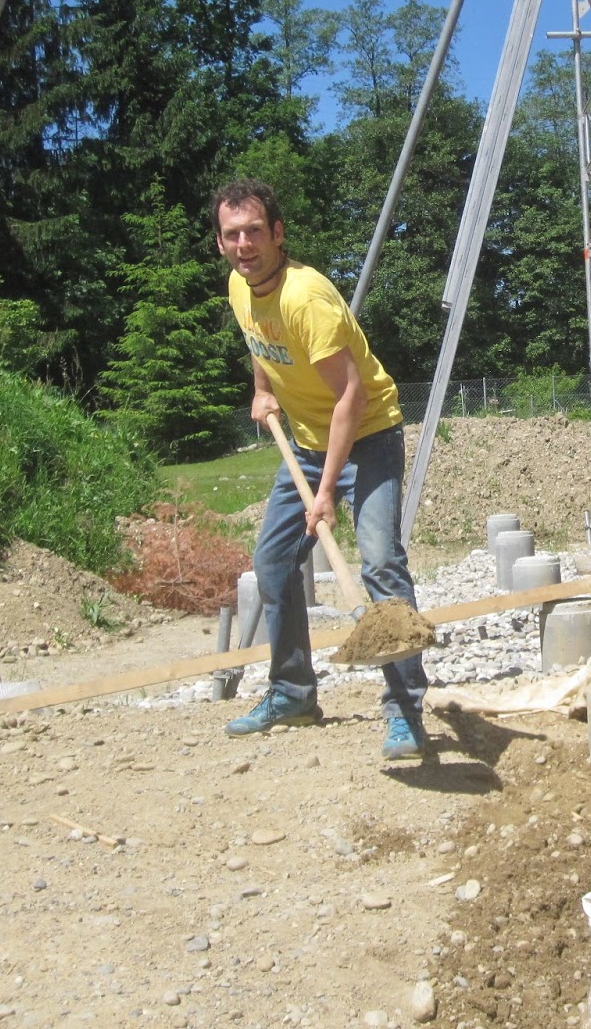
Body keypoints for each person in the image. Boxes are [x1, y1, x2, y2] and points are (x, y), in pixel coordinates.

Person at [211, 177, 429, 760]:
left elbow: (352, 397)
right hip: (306, 440)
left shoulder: (306, 299)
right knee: (274, 562)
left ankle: (406, 709)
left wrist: (326, 491)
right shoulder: (239, 286)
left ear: (278, 235)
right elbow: (260, 341)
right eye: (233, 234)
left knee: (381, 561)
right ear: (221, 243)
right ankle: (292, 693)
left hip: (369, 434)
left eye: (255, 231)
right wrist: (262, 390)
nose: (244, 244)